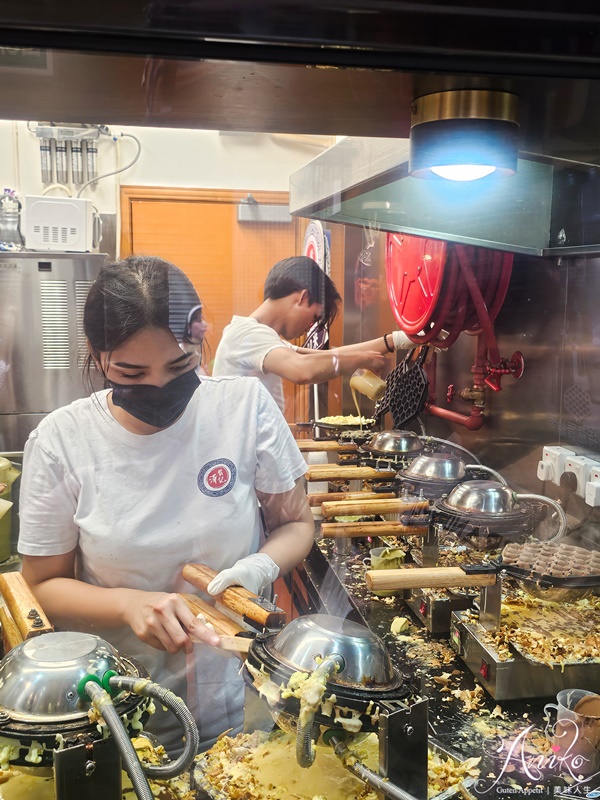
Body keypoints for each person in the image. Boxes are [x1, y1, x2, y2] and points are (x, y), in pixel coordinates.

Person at [17, 255, 313, 755]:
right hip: (115, 700)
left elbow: (297, 523)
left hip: (232, 686)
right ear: (97, 354)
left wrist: (261, 565)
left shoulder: (243, 408)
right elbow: (42, 583)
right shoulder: (61, 442)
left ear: (200, 341)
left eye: (179, 365)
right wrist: (130, 604)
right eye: (133, 371)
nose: (158, 386)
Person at [213, 255, 415, 412]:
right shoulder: (247, 334)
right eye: (314, 317)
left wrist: (397, 340)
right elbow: (302, 370)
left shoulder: (259, 335)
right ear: (303, 297)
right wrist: (358, 360)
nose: (309, 326)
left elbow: (320, 356)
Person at [182, 302, 210, 375]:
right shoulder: (181, 355)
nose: (204, 324)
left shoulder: (197, 352)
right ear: (188, 326)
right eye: (199, 320)